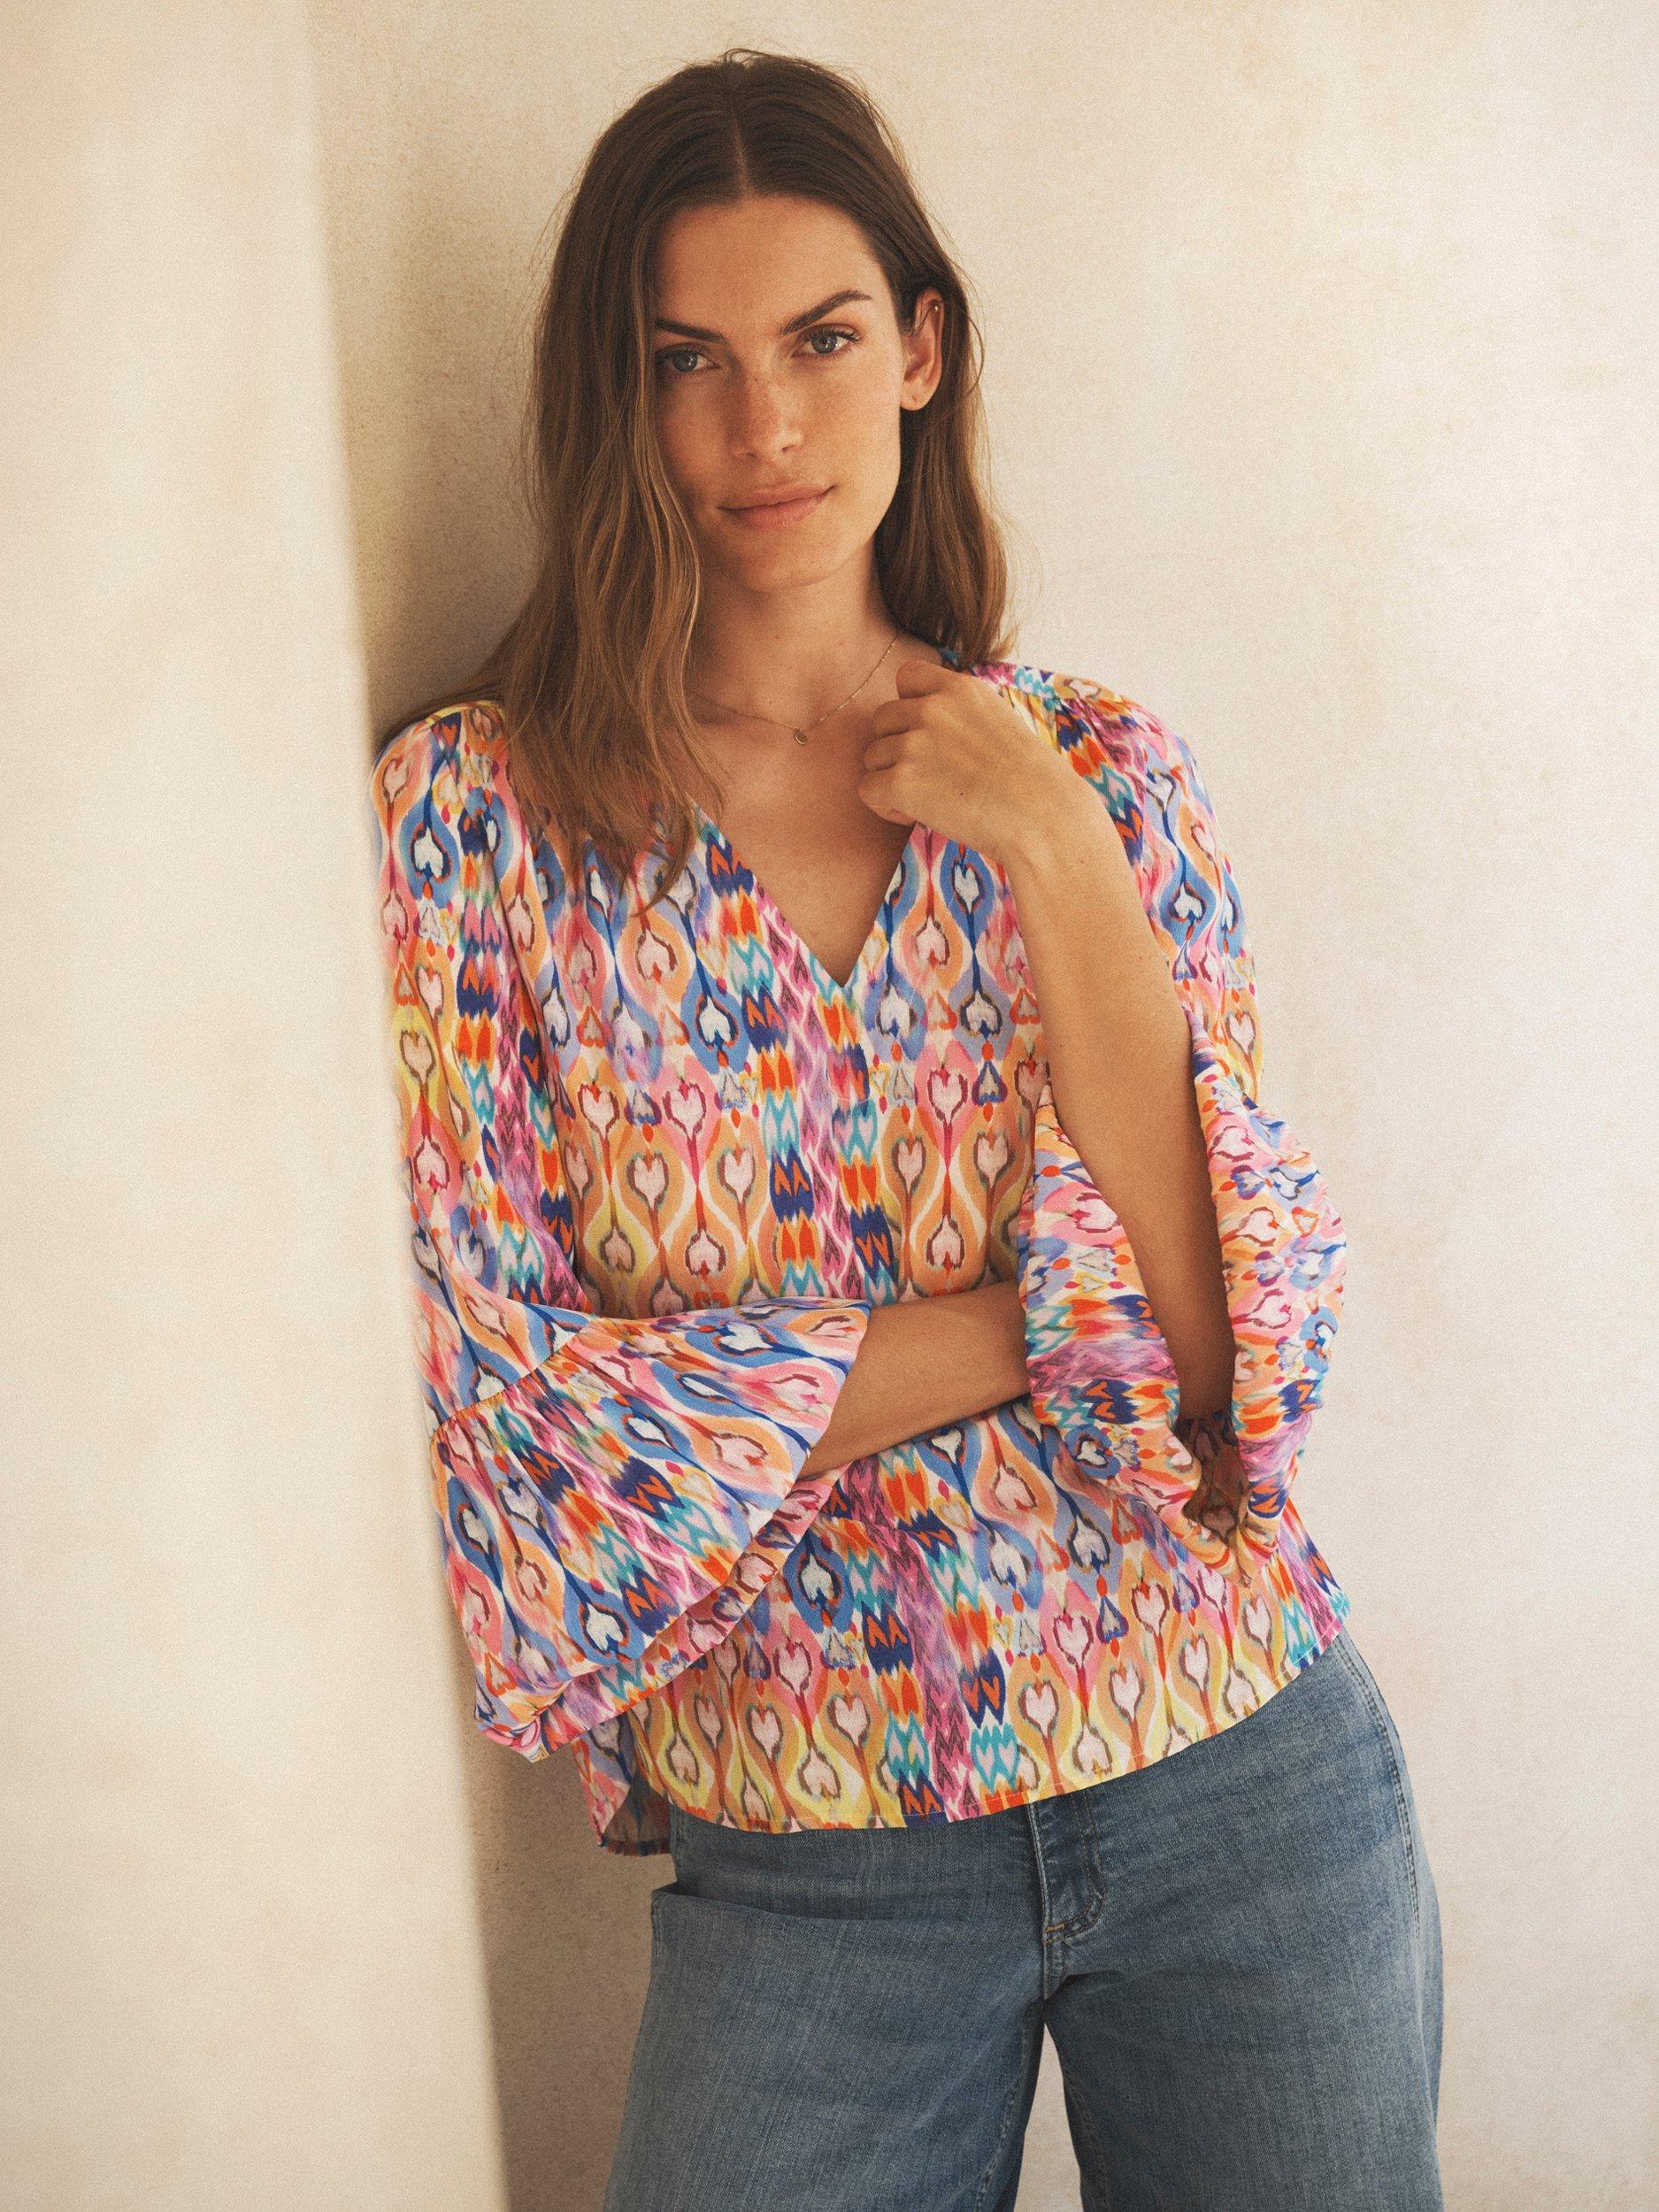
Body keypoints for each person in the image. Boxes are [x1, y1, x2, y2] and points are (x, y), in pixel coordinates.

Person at [365, 44, 1444, 2212]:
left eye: (821, 339)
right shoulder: (474, 825)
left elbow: (1234, 1371)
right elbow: (531, 1447)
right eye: (684, 360)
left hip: (1232, 1767)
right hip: (810, 1850)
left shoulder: (1100, 773)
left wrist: (1050, 849)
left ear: (921, 349)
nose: (762, 426)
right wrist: (1034, 1326)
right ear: (614, 399)